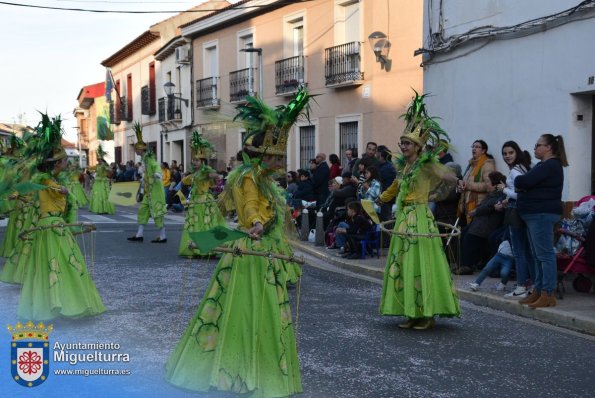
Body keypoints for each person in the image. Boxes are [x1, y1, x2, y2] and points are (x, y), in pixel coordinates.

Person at [165, 88, 311, 397]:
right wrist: (256, 221)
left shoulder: (265, 180)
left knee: (257, 311)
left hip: (261, 250)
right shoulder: (248, 178)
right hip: (251, 250)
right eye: (277, 156)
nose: (281, 161)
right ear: (264, 156)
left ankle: (254, 364)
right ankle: (239, 367)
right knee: (243, 311)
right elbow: (248, 205)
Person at [377, 92, 460, 330]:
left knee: (421, 263)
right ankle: (411, 312)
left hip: (421, 218)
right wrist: (380, 199)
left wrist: (453, 184)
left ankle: (428, 313)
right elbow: (395, 186)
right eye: (402, 143)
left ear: (418, 146)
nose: (403, 146)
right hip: (404, 217)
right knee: (405, 263)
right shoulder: (404, 167)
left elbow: (446, 175)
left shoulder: (425, 165)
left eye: (408, 143)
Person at [17, 114, 105, 320]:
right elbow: (59, 194)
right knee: (61, 262)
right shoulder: (47, 180)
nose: (67, 162)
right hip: (52, 228)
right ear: (58, 163)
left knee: (59, 263)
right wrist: (64, 191)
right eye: (64, 160)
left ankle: (61, 302)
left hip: (56, 226)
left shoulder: (50, 179)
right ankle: (59, 304)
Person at [515, 134, 569, 308]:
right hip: (535, 215)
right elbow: (526, 183)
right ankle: (538, 291)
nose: (535, 148)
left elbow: (523, 180)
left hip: (542, 215)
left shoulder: (551, 165)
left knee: (545, 255)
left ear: (549, 148)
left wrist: (522, 183)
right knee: (538, 256)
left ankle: (548, 293)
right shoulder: (542, 166)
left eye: (538, 145)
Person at [178, 131, 227, 257]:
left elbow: (215, 175)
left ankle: (208, 248)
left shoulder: (205, 171)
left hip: (205, 202)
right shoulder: (194, 174)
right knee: (195, 224)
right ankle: (195, 248)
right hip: (194, 202)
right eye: (194, 160)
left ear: (203, 162)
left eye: (198, 161)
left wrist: (217, 176)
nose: (195, 162)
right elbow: (185, 181)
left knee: (206, 224)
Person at [498, 141, 534, 300]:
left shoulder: (515, 171)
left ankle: (521, 286)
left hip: (516, 212)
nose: (507, 156)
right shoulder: (523, 167)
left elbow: (520, 194)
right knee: (527, 251)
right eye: (505, 154)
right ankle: (532, 284)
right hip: (523, 210)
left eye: (510, 153)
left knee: (519, 251)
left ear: (517, 152)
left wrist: (503, 190)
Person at [457, 171, 507, 275]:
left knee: (470, 236)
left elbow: (488, 207)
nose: (486, 184)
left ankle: (467, 265)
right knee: (465, 232)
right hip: (481, 222)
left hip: (488, 224)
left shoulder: (500, 194)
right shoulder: (491, 194)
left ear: (495, 184)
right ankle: (465, 264)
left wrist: (476, 211)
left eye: (488, 182)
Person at [127, 122, 167, 243]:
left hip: (155, 189)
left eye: (136, 149)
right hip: (148, 191)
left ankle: (163, 235)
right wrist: (143, 177)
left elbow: (155, 165)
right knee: (142, 210)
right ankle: (139, 234)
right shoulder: (144, 159)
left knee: (157, 212)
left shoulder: (149, 157)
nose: (135, 151)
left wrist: (158, 174)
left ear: (140, 149)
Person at [457, 139, 496, 224]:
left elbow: (488, 185)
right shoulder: (471, 165)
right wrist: (461, 187)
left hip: (478, 204)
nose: (474, 149)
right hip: (466, 203)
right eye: (473, 146)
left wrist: (468, 185)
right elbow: (465, 182)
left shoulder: (487, 164)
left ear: (483, 151)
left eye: (477, 147)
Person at [88, 146, 115, 215]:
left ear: (102, 159)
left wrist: (107, 168)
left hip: (103, 183)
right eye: (98, 160)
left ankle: (105, 208)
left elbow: (110, 171)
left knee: (104, 195)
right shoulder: (97, 166)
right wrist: (87, 168)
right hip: (97, 182)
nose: (98, 161)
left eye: (99, 160)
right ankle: (99, 208)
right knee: (97, 195)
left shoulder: (104, 165)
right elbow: (92, 168)